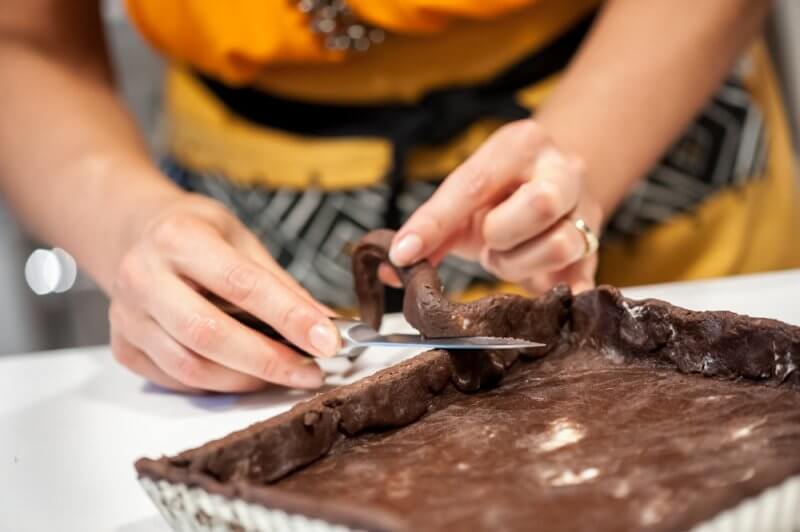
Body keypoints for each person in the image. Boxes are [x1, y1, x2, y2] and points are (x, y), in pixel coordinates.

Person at [0, 0, 796, 393]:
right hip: (260, 246)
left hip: (652, 142)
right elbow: (25, 40)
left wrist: (586, 148)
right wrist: (130, 221)